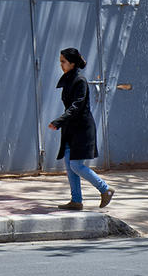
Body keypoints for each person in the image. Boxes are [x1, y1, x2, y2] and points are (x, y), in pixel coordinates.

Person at [49, 47, 115, 210]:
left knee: (76, 165)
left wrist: (58, 121)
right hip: (71, 129)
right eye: (61, 62)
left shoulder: (80, 81)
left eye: (63, 62)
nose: (61, 65)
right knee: (69, 164)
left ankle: (105, 189)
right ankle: (76, 200)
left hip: (82, 129)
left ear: (72, 63)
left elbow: (76, 107)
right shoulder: (69, 79)